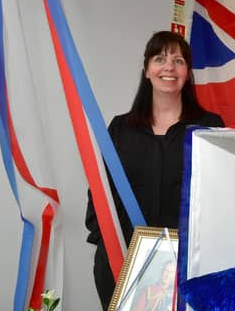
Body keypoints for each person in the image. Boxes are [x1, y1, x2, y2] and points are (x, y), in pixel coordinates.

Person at [85, 31, 224, 310]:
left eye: (179, 60)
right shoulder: (120, 128)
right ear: (147, 70)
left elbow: (220, 195)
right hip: (123, 261)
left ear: (187, 73)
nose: (169, 67)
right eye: (160, 58)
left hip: (187, 266)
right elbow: (100, 194)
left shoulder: (209, 127)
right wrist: (108, 245)